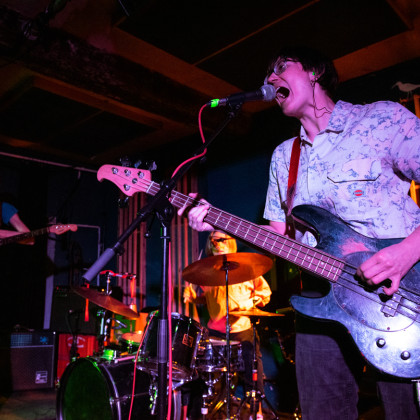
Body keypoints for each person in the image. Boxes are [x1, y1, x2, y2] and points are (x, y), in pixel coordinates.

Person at [179, 46, 420, 419]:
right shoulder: (284, 156)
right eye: (267, 75)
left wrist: (406, 252)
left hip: (401, 292)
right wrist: (216, 220)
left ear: (314, 72)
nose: (270, 79)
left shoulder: (381, 120)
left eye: (281, 68)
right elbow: (280, 235)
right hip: (319, 298)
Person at [183, 230, 272, 419]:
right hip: (216, 332)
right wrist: (194, 298)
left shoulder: (246, 267)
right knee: (208, 375)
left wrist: (252, 302)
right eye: (213, 240)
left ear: (231, 241)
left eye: (221, 239)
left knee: (252, 371)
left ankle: (256, 412)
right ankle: (209, 412)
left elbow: (265, 292)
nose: (217, 243)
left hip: (242, 328)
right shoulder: (207, 270)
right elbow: (209, 298)